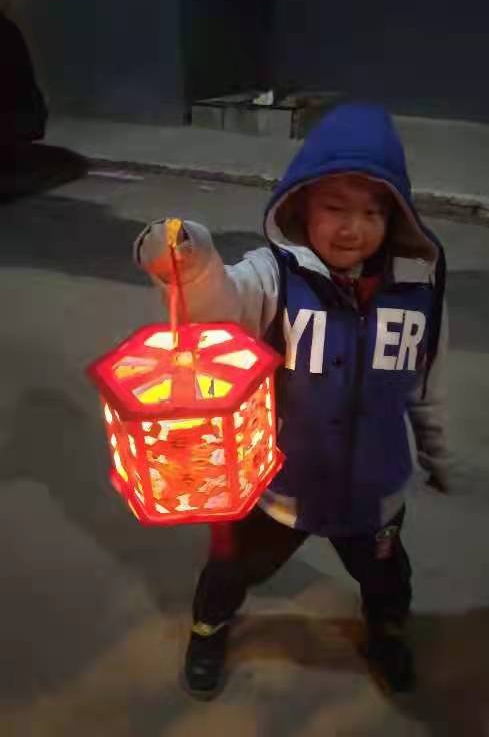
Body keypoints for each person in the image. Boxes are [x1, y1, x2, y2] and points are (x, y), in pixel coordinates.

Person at [135, 103, 450, 698]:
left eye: (372, 211)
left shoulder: (418, 290)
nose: (353, 228)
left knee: (387, 577)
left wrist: (435, 446)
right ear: (302, 204)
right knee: (232, 569)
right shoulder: (274, 276)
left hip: (374, 489)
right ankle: (208, 630)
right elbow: (221, 305)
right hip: (280, 486)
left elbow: (428, 375)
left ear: (397, 215)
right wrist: (192, 265)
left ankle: (386, 632)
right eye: (335, 207)